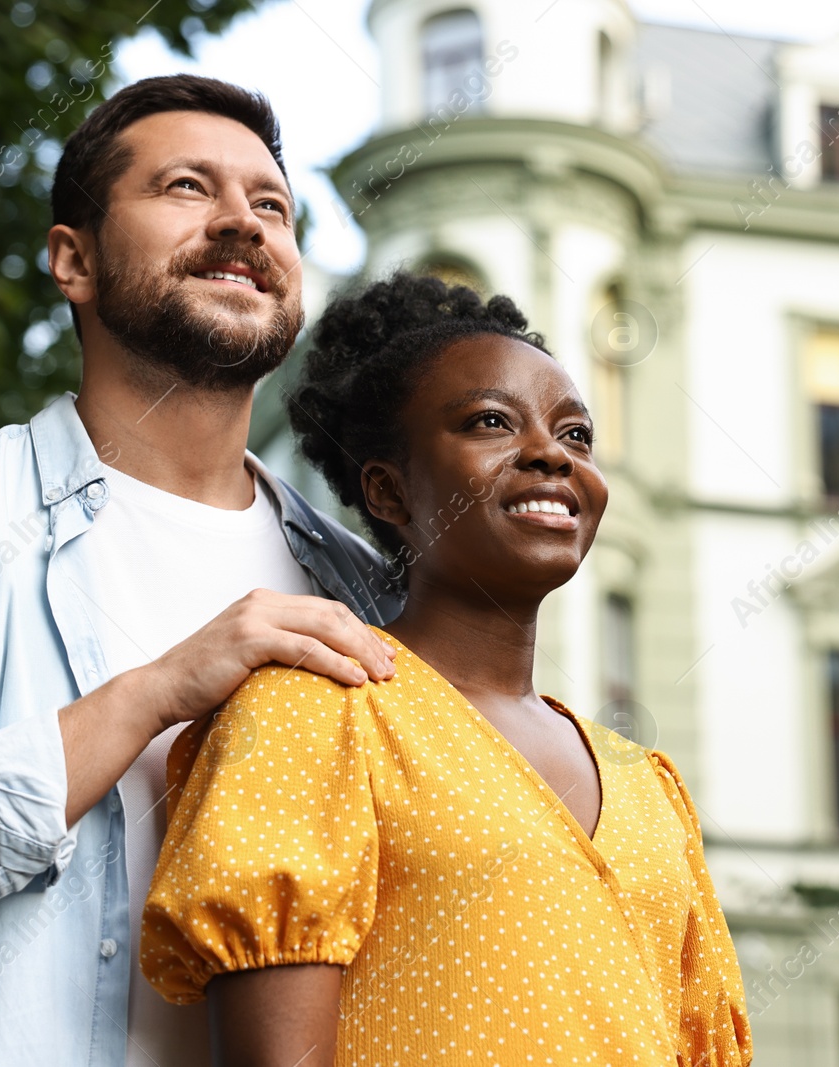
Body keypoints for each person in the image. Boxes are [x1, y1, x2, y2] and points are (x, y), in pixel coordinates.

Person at [0, 75, 401, 1067]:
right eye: (187, 187)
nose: (242, 223)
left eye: (272, 205)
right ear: (73, 260)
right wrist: (151, 694)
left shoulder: (368, 593)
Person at [141, 274, 754, 1067]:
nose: (550, 454)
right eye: (491, 422)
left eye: (576, 435)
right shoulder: (316, 715)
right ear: (388, 489)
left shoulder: (652, 787)